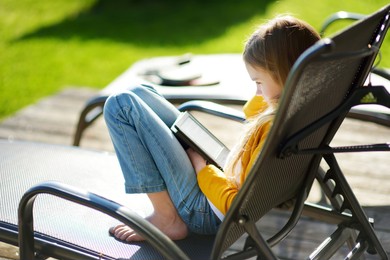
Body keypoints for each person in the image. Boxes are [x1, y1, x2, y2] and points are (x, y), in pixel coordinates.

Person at [103, 15, 321, 243]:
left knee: (120, 105)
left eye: (258, 82)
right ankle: (174, 203)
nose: (257, 91)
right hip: (222, 180)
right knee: (139, 93)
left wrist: (202, 169)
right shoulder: (305, 107)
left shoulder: (272, 130)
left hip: (206, 211)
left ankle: (167, 219)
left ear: (285, 76)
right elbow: (254, 114)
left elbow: (235, 206)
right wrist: (270, 94)